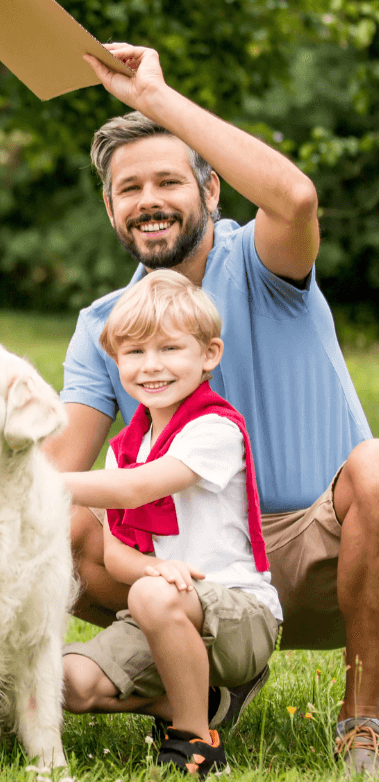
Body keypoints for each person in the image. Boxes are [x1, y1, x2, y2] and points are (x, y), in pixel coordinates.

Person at [46, 42, 379, 775]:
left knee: (377, 471)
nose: (148, 200)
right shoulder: (105, 322)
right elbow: (55, 473)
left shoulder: (263, 263)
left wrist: (153, 99)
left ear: (211, 192)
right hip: (178, 572)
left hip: (319, 545)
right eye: (128, 188)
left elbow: (293, 198)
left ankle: (363, 720)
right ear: (109, 208)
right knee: (59, 526)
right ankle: (193, 694)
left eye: (168, 180)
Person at [60, 269, 281, 777]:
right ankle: (205, 701)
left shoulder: (214, 427)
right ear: (116, 362)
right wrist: (153, 569)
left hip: (239, 614)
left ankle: (195, 743)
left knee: (149, 594)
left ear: (209, 355)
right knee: (70, 682)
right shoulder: (125, 448)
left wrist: (40, 482)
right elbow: (116, 556)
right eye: (134, 353)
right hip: (161, 608)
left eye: (169, 349)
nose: (151, 366)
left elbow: (139, 488)